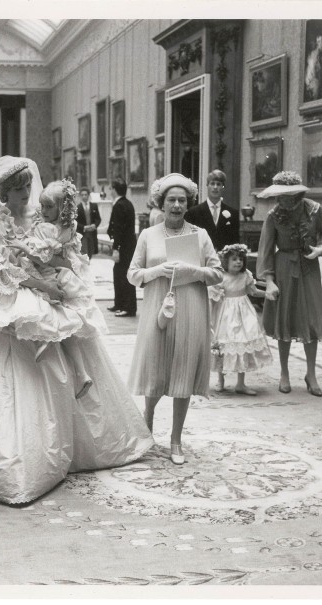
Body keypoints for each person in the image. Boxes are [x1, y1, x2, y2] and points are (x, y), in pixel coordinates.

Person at [0, 156, 153, 505]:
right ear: (4, 192)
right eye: (18, 190)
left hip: (47, 295)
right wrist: (43, 286)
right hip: (9, 301)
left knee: (71, 341)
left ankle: (80, 440)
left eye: (27, 188)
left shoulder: (40, 217)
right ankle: (14, 456)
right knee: (7, 378)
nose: (26, 194)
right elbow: (1, 269)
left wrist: (57, 271)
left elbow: (59, 251)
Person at [127, 173, 223, 465]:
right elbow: (133, 275)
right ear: (161, 203)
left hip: (192, 308)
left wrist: (194, 271)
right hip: (158, 308)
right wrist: (158, 271)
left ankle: (176, 439)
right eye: (172, 200)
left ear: (188, 203)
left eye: (182, 200)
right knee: (156, 370)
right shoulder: (148, 235)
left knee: (182, 371)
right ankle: (148, 421)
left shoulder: (201, 235)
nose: (177, 205)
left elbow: (217, 273)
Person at [0, 179, 105, 399]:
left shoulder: (48, 228)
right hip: (63, 273)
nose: (43, 210)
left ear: (62, 208)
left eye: (48, 207)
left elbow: (44, 258)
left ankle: (48, 338)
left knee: (48, 301)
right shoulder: (65, 226)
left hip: (53, 273)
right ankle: (80, 371)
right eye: (42, 206)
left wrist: (23, 247)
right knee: (58, 308)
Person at [256, 170, 322, 397]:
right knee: (285, 321)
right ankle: (284, 373)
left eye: (289, 195)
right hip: (284, 270)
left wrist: (320, 249)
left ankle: (311, 374)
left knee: (311, 321)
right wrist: (269, 282)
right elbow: (265, 252)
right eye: (281, 196)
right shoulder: (273, 216)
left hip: (309, 269)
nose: (285, 200)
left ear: (298, 193)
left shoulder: (314, 210)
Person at [209, 243, 273, 395]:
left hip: (244, 313)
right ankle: (221, 380)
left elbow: (254, 291)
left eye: (241, 259)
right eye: (234, 259)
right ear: (226, 261)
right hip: (225, 314)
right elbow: (213, 296)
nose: (238, 262)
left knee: (243, 344)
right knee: (223, 346)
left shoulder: (245, 276)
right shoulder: (221, 277)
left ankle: (240, 383)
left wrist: (267, 293)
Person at [183, 169, 240, 254]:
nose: (215, 187)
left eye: (219, 184)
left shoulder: (233, 213)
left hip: (224, 261)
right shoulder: (194, 212)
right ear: (207, 185)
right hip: (202, 258)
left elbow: (235, 243)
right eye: (212, 183)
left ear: (223, 187)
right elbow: (189, 241)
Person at [107, 179, 138, 317]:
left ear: (114, 189)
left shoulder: (119, 205)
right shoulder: (127, 203)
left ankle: (128, 307)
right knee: (119, 274)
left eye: (111, 188)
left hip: (124, 247)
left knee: (124, 276)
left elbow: (119, 229)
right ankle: (119, 303)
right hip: (129, 246)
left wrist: (116, 248)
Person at [75, 186, 101, 259]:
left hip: (92, 233)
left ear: (88, 195)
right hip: (83, 233)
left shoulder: (94, 206)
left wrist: (95, 225)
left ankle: (89, 265)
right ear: (80, 196)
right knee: (84, 252)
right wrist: (83, 227)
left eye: (85, 194)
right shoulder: (78, 208)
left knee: (91, 251)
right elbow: (76, 222)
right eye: (82, 195)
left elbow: (98, 219)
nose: (84, 196)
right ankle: (85, 267)